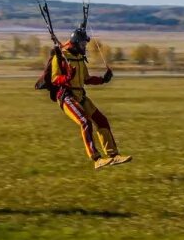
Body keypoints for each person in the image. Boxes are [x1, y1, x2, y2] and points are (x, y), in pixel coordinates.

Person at [49, 27, 131, 170]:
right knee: (85, 121)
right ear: (75, 43)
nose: (84, 47)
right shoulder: (61, 56)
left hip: (81, 96)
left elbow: (86, 79)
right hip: (66, 96)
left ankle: (113, 155)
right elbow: (55, 79)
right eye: (82, 44)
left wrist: (103, 80)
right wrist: (67, 78)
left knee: (101, 120)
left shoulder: (80, 58)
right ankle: (96, 159)